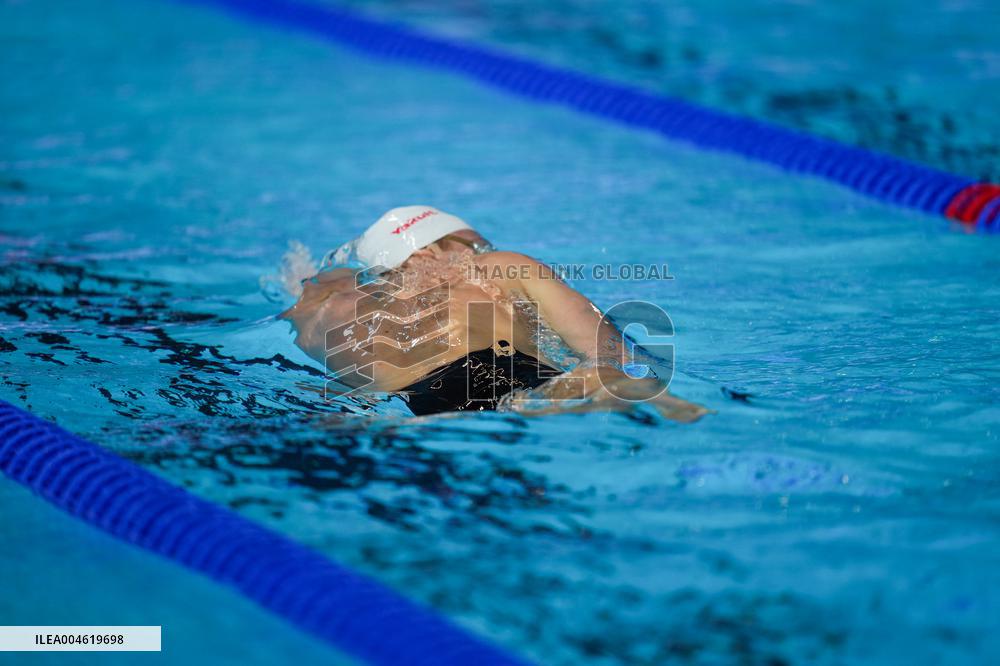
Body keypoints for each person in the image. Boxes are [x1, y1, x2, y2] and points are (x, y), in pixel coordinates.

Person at [281, 205, 707, 421]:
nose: (481, 251)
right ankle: (693, 419)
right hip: (498, 375)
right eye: (474, 243)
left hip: (406, 412)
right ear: (435, 245)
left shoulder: (323, 313)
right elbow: (608, 350)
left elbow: (297, 285)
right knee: (605, 379)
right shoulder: (494, 266)